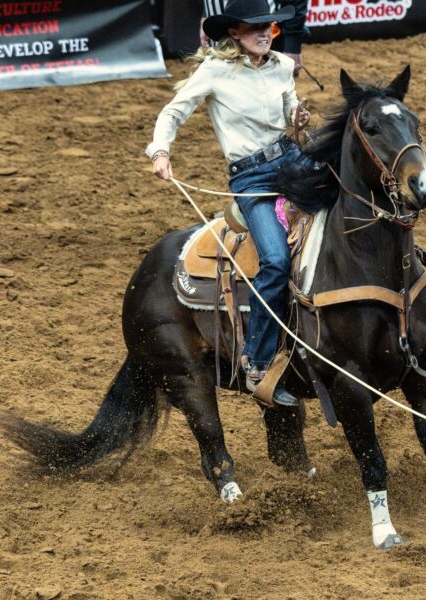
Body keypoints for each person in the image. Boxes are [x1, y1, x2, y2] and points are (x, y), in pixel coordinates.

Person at [146, 0, 312, 407]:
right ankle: (256, 361)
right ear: (234, 33)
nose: (263, 33)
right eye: (253, 28)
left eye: (269, 28)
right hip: (252, 178)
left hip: (292, 160)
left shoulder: (280, 67)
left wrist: (298, 117)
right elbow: (174, 111)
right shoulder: (214, 71)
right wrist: (160, 152)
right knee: (274, 260)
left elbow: (289, 108)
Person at [200, 0, 308, 77]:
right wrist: (207, 14)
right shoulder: (211, 69)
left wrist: (292, 44)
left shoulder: (282, 63)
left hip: (264, 17)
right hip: (220, 24)